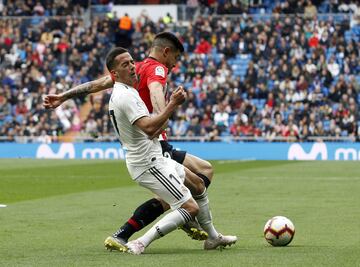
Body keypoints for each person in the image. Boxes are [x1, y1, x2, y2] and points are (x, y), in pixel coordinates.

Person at [43, 32, 235, 251]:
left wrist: (64, 96)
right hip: (150, 141)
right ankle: (171, 220)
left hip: (147, 140)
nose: (175, 64)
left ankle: (199, 227)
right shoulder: (157, 68)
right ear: (166, 52)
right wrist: (165, 115)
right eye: (176, 58)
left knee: (199, 179)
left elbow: (97, 84)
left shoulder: (136, 68)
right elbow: (155, 92)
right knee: (191, 186)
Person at [105, 47, 236, 254]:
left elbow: (149, 130)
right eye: (125, 64)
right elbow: (149, 127)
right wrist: (172, 104)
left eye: (131, 61)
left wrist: (159, 124)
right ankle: (140, 243)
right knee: (189, 207)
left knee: (198, 183)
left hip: (156, 156)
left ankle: (212, 238)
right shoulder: (124, 96)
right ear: (115, 74)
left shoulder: (129, 91)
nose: (131, 66)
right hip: (148, 164)